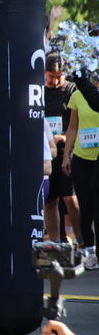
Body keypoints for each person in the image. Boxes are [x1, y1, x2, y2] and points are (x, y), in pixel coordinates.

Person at [43, 55, 81, 245]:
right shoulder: (39, 92)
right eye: (51, 76)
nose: (55, 81)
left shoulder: (72, 90)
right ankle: (56, 242)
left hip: (69, 151)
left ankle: (82, 241)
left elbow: (78, 121)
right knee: (50, 200)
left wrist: (65, 138)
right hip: (48, 154)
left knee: (70, 198)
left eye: (59, 76)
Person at [63, 76, 99, 269]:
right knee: (85, 205)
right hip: (82, 157)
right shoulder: (77, 95)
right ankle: (89, 250)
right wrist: (66, 155)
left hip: (98, 158)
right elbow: (73, 126)